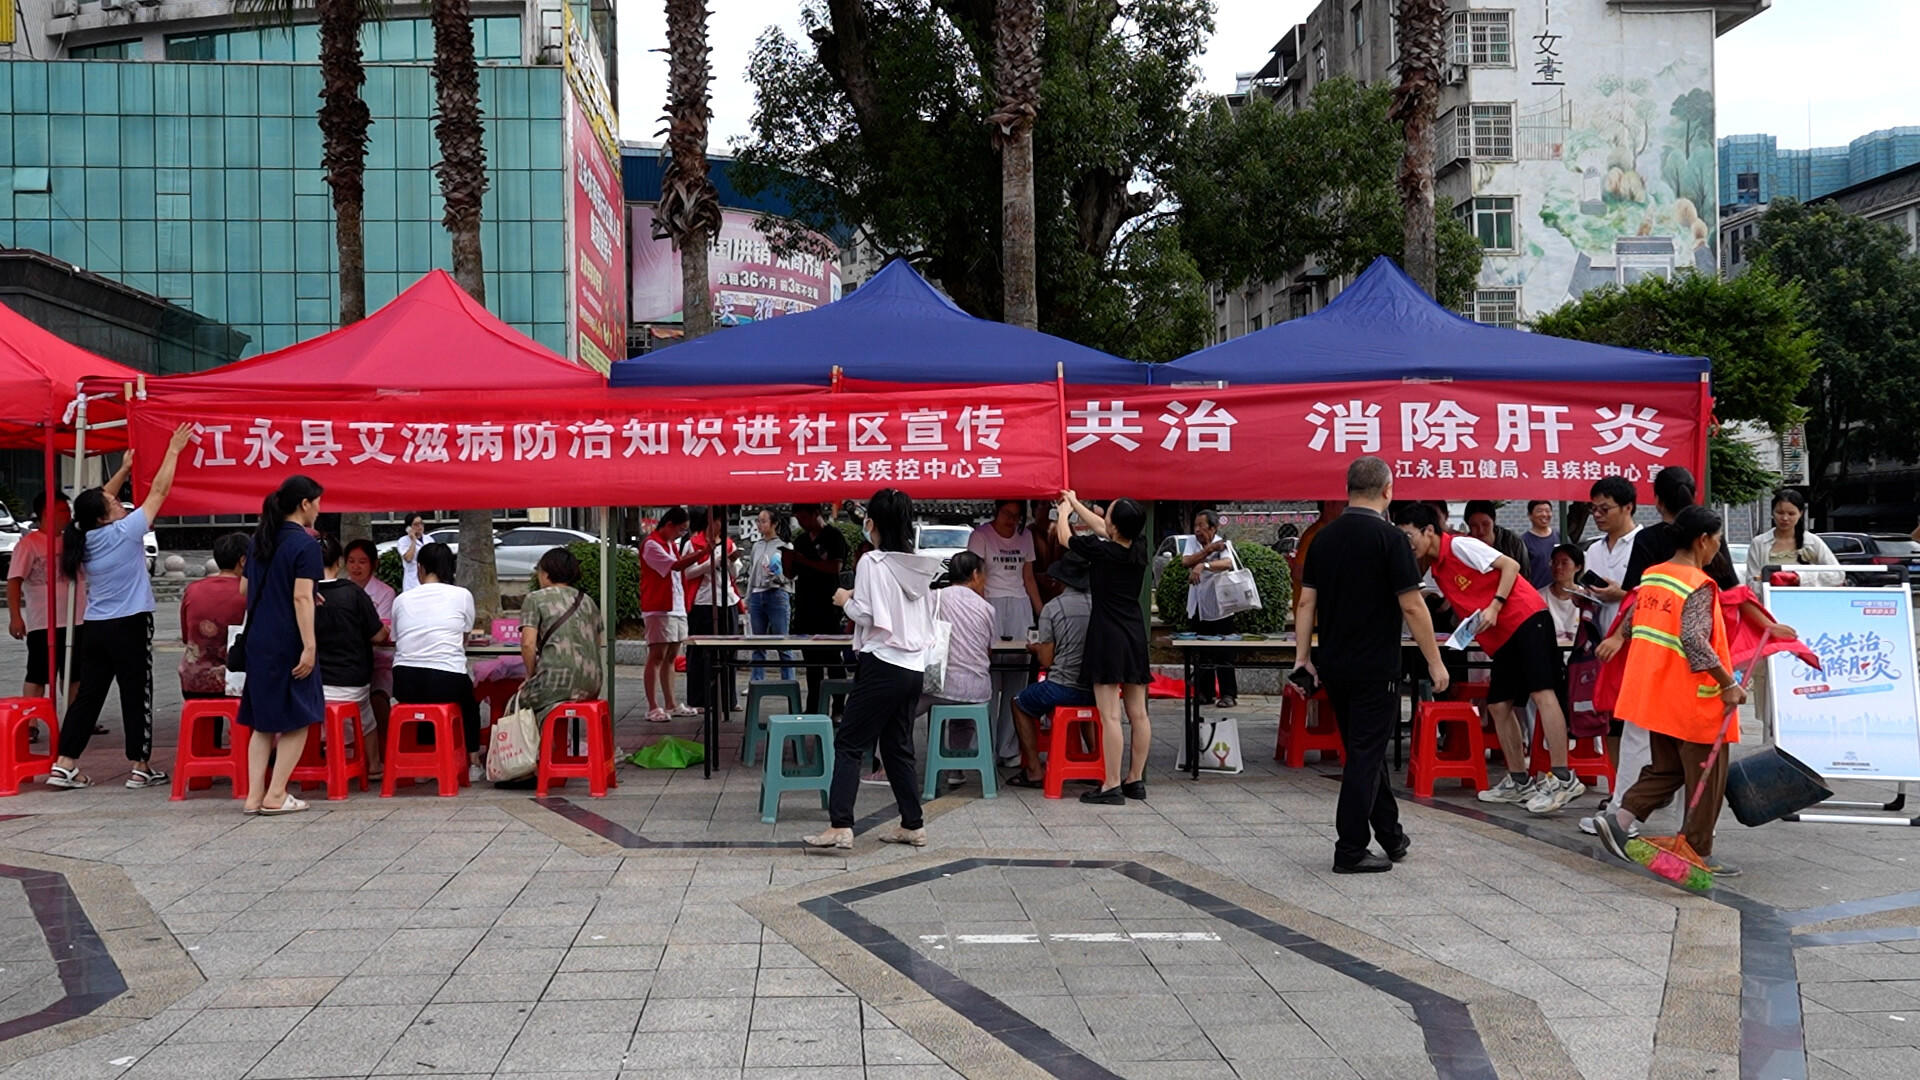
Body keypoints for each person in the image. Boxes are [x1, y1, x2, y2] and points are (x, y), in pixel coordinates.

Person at [1298, 459, 1448, 873]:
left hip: (1334, 663)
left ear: (1348, 489)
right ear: (1387, 490)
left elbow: (1307, 602)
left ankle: (1391, 835)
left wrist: (1302, 658)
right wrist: (1435, 663)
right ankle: (1349, 849)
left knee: (1366, 750)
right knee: (1365, 755)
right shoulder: (1391, 539)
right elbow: (1412, 605)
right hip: (1375, 667)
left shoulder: (1323, 539)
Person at [1395, 502, 1585, 814]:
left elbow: (1510, 565)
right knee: (1498, 705)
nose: (1406, 544)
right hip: (1503, 637)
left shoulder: (1460, 545)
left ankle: (1564, 778)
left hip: (1527, 618)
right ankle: (1519, 781)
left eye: (1408, 536)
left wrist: (1495, 605)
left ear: (1429, 531)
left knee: (1542, 692)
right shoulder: (1436, 568)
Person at [1591, 507, 1747, 876]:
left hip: (1657, 695)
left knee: (1667, 769)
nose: (1718, 548)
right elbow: (1693, 640)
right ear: (1703, 540)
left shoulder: (1654, 575)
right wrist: (1728, 684)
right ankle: (1697, 852)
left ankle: (1620, 819)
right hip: (1695, 699)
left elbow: (1632, 618)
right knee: (1707, 776)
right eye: (1718, 540)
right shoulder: (1697, 583)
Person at [51, 424, 193, 790]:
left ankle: (65, 763)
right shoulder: (124, 531)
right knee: (136, 693)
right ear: (104, 516)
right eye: (114, 504)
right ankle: (140, 766)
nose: (119, 502)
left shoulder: (82, 536)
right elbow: (159, 491)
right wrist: (173, 450)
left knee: (88, 696)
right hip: (129, 625)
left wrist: (125, 470)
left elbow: (95, 503)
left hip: (95, 627)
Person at [804, 489, 944, 851]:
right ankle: (912, 823)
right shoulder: (917, 564)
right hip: (912, 666)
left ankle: (840, 824)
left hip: (882, 662)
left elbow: (866, 614)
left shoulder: (872, 562)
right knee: (897, 746)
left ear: (873, 522)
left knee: (850, 742)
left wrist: (844, 599)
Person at [237, 476, 327, 816]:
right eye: (317, 502)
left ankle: (253, 796)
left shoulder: (260, 539)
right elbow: (301, 597)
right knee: (299, 716)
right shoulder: (306, 545)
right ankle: (276, 794)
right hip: (288, 640)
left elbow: (245, 589)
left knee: (263, 722)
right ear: (304, 504)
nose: (319, 508)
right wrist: (310, 646)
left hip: (258, 639)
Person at [1055, 491, 1151, 805]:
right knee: (1138, 714)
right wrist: (1076, 503)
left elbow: (1064, 538)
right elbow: (1102, 527)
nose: (1103, 517)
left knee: (1110, 716)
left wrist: (1064, 512)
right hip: (1134, 634)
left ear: (1115, 526)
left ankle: (1111, 785)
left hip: (1107, 635)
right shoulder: (1138, 547)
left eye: (1108, 513)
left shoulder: (1101, 550)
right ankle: (1135, 779)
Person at [390, 542, 483, 779]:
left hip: (404, 683)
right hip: (447, 679)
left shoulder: (402, 599)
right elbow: (463, 637)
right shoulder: (462, 595)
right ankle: (473, 762)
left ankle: (426, 760)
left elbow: (396, 638)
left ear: (420, 568)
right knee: (468, 703)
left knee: (424, 700)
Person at [1007, 553, 1095, 788]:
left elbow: (1046, 660)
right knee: (1087, 710)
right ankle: (1094, 760)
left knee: (1019, 702)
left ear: (1060, 581)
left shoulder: (1053, 608)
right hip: (1096, 689)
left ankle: (1034, 770)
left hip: (1062, 686)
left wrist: (1036, 649)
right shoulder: (1099, 604)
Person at [969, 500, 1044, 765]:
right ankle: (984, 746)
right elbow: (976, 579)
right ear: (996, 511)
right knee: (988, 679)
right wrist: (978, 612)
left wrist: (1042, 614)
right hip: (991, 603)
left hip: (1020, 605)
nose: (1011, 521)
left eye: (1017, 516)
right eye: (1007, 514)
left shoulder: (1025, 537)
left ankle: (1009, 748)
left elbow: (1028, 578)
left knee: (1017, 680)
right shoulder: (981, 535)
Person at [915, 551, 995, 788]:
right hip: (978, 689)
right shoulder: (987, 608)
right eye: (984, 574)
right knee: (963, 718)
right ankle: (955, 769)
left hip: (939, 685)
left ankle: (890, 766)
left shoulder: (935, 598)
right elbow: (988, 650)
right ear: (975, 574)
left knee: (896, 709)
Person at [314, 533, 387, 780]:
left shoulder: (302, 595)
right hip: (352, 682)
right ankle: (374, 765)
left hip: (312, 683)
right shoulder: (353, 593)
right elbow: (378, 636)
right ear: (339, 562)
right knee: (366, 716)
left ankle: (317, 759)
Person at [7, 491, 87, 707]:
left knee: (75, 674)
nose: (68, 515)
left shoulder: (73, 541)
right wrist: (15, 617)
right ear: (46, 512)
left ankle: (74, 716)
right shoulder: (29, 544)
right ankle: (31, 718)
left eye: (68, 510)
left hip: (76, 619)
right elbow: (14, 582)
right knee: (38, 674)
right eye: (62, 510)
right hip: (43, 622)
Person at [518, 546, 604, 730]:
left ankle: (542, 746)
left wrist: (529, 676)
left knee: (516, 703)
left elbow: (528, 644)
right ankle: (555, 742)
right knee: (549, 708)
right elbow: (597, 643)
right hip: (592, 684)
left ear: (546, 573)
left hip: (555, 684)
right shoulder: (588, 601)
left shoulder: (535, 599)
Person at [639, 507, 702, 723]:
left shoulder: (671, 545)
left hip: (676, 605)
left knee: (671, 657)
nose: (681, 534)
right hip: (659, 607)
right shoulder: (651, 544)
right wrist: (702, 553)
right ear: (669, 525)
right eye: (681, 530)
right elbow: (674, 566)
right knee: (657, 655)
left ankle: (671, 703)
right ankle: (652, 706)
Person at [788, 502, 851, 714]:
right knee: (811, 662)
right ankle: (813, 707)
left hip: (827, 604)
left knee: (833, 659)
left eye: (804, 518)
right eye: (799, 520)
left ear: (816, 513)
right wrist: (789, 560)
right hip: (805, 605)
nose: (802, 523)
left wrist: (805, 561)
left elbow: (835, 567)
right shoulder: (800, 540)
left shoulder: (834, 536)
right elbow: (791, 573)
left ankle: (839, 707)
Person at [683, 507, 742, 713]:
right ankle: (699, 699)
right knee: (700, 653)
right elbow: (687, 573)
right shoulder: (693, 543)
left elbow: (735, 573)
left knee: (729, 653)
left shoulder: (728, 543)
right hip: (704, 602)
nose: (722, 525)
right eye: (719, 521)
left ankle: (728, 698)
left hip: (727, 601)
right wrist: (711, 563)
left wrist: (731, 562)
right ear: (710, 520)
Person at [178, 532, 250, 699]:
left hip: (193, 682)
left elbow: (186, 637)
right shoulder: (249, 591)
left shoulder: (193, 589)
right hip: (237, 683)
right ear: (243, 560)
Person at [1181, 508, 1241, 708]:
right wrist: (1207, 551)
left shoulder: (1223, 543)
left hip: (1221, 606)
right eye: (1195, 526)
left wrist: (1204, 565)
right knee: (1201, 651)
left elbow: (1228, 563)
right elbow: (1186, 561)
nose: (1197, 530)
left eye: (1201, 526)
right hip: (1198, 605)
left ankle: (1228, 694)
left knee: (1224, 653)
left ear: (1213, 528)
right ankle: (1204, 693)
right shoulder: (1192, 542)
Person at [344, 538, 396, 730]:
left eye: (362, 562)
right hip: (348, 660)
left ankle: (384, 742)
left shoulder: (386, 593)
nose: (356, 567)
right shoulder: (341, 589)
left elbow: (382, 631)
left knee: (377, 698)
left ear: (374, 564)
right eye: (351, 561)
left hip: (379, 661)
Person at [1746, 489, 1841, 587]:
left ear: (1800, 513)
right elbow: (1751, 581)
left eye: (1791, 514)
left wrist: (1800, 578)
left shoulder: (1813, 542)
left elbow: (1838, 575)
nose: (1785, 518)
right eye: (1780, 513)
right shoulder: (1759, 543)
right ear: (1772, 512)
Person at [1623, 467, 1697, 591]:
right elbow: (1730, 586)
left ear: (1658, 500)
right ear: (1694, 496)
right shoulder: (1708, 533)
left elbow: (1633, 589)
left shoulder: (1647, 538)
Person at [746, 508, 797, 682]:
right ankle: (756, 682)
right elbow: (752, 574)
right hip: (757, 595)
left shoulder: (785, 546)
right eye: (758, 521)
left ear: (774, 524)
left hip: (777, 594)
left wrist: (777, 575)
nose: (759, 525)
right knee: (758, 644)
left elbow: (791, 576)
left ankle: (788, 683)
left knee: (783, 643)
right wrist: (748, 597)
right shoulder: (757, 546)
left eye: (763, 521)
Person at [1543, 544, 1600, 643]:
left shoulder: (1586, 599)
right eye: (1554, 562)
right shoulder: (1540, 597)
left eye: (1564, 563)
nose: (1558, 567)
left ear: (1578, 567)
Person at [1464, 501, 1532, 582]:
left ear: (1494, 521)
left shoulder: (1513, 541)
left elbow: (1525, 575)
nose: (1480, 531)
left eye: (1486, 524)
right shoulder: (1465, 546)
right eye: (1474, 526)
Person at [1521, 500, 1562, 589]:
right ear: (1530, 515)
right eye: (1539, 511)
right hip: (1536, 591)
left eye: (1548, 511)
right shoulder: (1524, 541)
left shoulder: (1561, 536)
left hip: (1561, 592)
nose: (1544, 514)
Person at [396, 513, 428, 592]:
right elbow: (408, 558)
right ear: (409, 528)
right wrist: (413, 540)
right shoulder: (403, 541)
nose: (420, 526)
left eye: (421, 523)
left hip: (427, 579)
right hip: (412, 581)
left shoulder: (429, 539)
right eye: (416, 524)